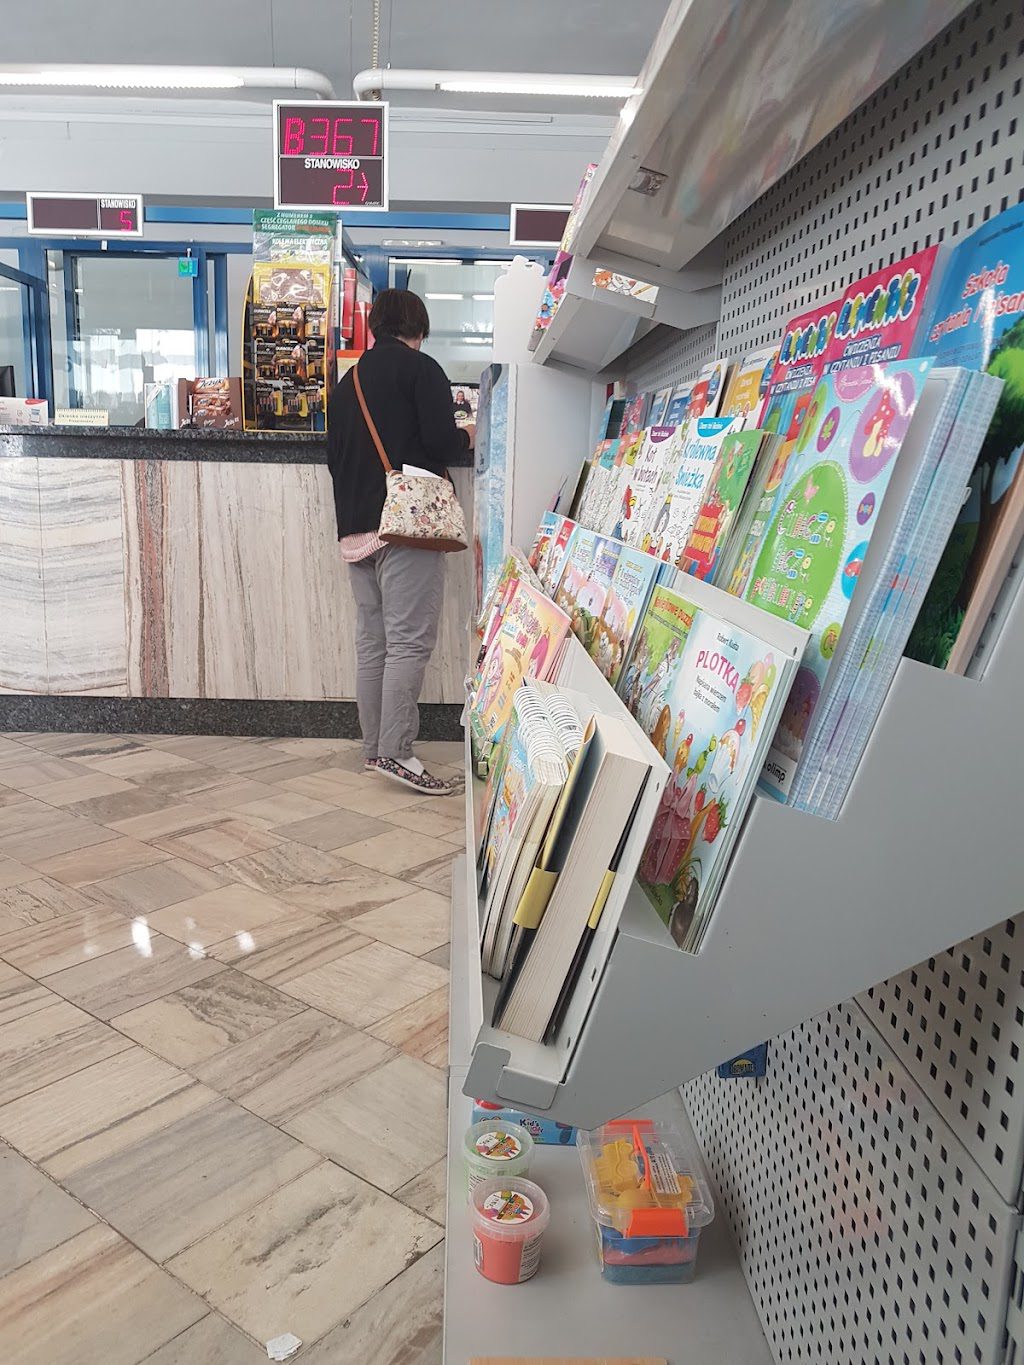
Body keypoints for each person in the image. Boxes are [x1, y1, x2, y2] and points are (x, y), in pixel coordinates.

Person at [326, 289, 474, 794]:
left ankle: (375, 747)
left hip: (356, 529)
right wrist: (468, 435)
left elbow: (334, 459)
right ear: (419, 328)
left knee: (373, 642)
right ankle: (397, 752)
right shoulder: (421, 370)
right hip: (406, 526)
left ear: (375, 327)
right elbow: (441, 442)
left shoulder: (346, 384)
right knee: (408, 642)